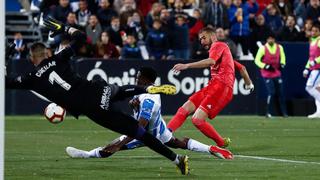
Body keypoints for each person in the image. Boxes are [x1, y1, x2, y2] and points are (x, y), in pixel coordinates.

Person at [5, 17, 189, 175]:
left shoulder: (32, 78)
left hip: (91, 107)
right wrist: (63, 28)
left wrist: (5, 56)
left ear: (31, 59)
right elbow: (81, 37)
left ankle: (177, 159)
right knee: (121, 91)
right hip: (97, 89)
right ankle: (147, 89)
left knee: (138, 133)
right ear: (47, 53)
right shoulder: (58, 58)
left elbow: (6, 82)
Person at [66, 67, 233, 160]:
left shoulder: (149, 98)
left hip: (149, 135)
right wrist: (133, 104)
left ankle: (85, 155)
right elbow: (139, 109)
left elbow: (141, 126)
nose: (136, 78)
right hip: (160, 130)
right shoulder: (145, 92)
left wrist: (120, 144)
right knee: (179, 142)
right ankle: (212, 148)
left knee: (111, 147)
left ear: (146, 79)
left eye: (139, 76)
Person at [167, 27, 254, 148]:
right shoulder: (224, 52)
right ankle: (165, 134)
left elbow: (211, 62)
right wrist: (249, 84)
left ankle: (221, 142)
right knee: (184, 109)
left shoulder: (218, 45)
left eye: (204, 38)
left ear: (213, 37)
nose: (201, 42)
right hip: (213, 85)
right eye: (200, 39)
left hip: (222, 87)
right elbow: (242, 68)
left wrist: (186, 65)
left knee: (197, 119)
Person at [254, 33, 288, 118]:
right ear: (267, 40)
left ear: (274, 39)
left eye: (272, 39)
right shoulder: (263, 48)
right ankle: (268, 112)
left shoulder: (279, 47)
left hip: (276, 73)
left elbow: (283, 57)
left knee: (280, 93)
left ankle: (284, 113)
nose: (270, 40)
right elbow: (257, 60)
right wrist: (265, 66)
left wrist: (282, 64)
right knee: (271, 92)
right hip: (267, 74)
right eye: (269, 39)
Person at [303, 24, 320, 118]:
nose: (313, 32)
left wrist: (315, 62)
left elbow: (314, 59)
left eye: (316, 31)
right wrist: (306, 68)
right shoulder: (312, 41)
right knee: (318, 89)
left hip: (318, 69)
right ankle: (319, 112)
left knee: (309, 87)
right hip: (314, 68)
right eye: (312, 30)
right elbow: (311, 58)